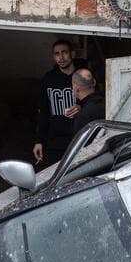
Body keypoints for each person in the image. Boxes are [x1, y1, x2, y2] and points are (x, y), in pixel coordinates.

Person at [32, 39, 85, 167]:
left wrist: (82, 107)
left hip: (80, 140)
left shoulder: (83, 76)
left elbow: (97, 102)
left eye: (64, 53)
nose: (61, 58)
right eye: (56, 54)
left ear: (72, 54)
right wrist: (39, 141)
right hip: (55, 141)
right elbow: (43, 112)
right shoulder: (48, 79)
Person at [70, 68, 106, 135]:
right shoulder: (107, 103)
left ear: (75, 87)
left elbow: (82, 144)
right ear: (94, 82)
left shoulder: (83, 115)